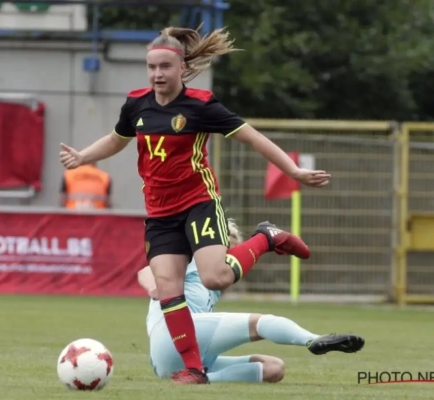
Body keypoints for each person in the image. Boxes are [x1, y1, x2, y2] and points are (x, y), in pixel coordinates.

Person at [59, 26, 331, 384]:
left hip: (197, 203)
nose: (157, 74)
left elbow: (253, 138)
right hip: (160, 215)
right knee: (168, 289)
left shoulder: (201, 105)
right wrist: (83, 156)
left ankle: (266, 238)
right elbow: (116, 139)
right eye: (151, 67)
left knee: (214, 276)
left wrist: (293, 171)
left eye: (165, 67)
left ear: (182, 68)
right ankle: (194, 369)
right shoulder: (136, 104)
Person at [138, 219, 365, 383]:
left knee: (274, 368)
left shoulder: (214, 282)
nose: (231, 258)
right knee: (259, 323)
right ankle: (312, 340)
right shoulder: (193, 259)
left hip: (170, 363)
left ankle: (203, 379)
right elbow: (146, 272)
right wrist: (154, 288)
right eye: (228, 249)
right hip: (171, 335)